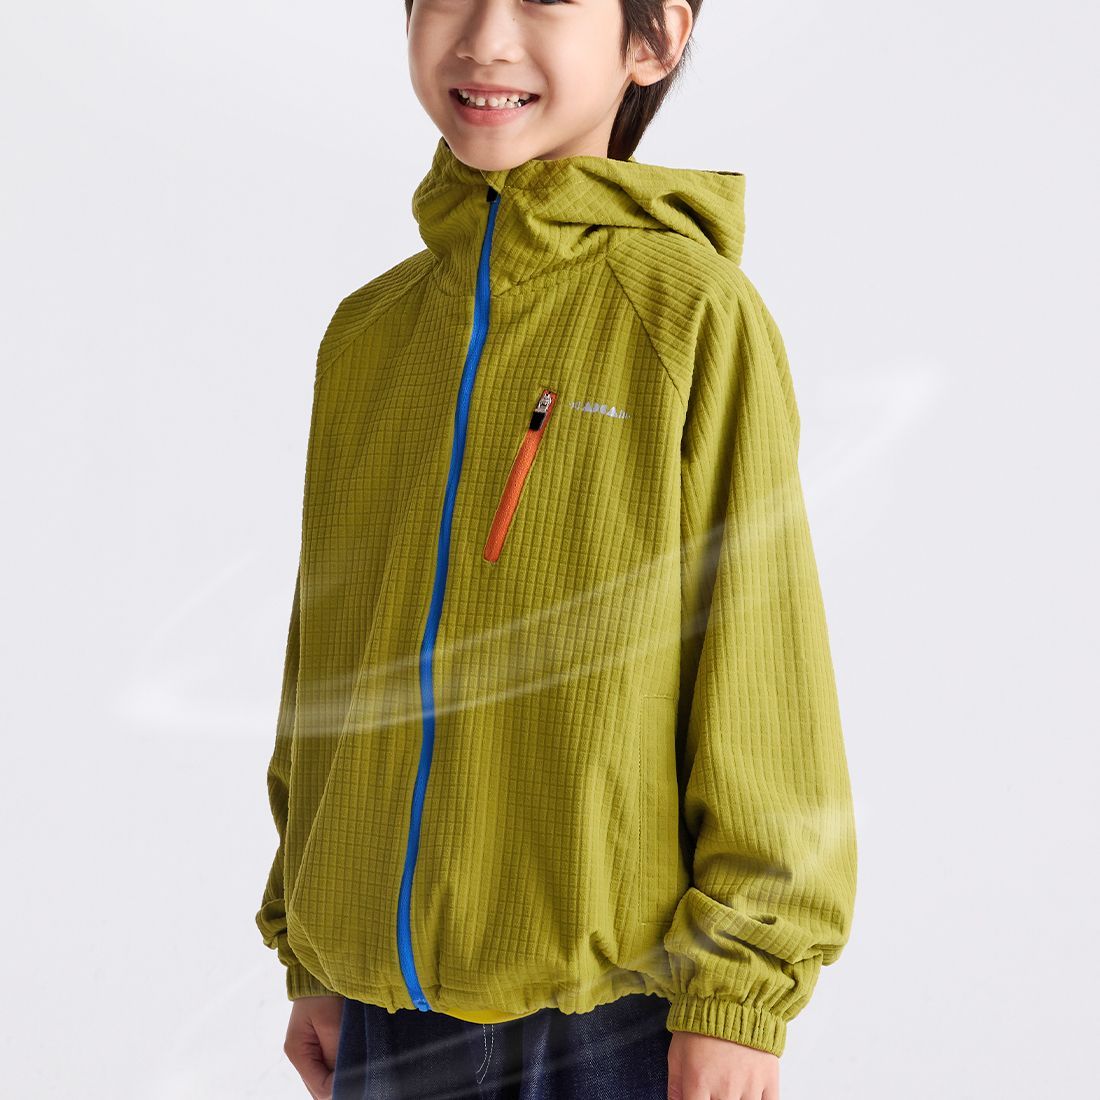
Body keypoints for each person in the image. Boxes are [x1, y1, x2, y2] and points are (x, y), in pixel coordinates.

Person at [255, 1, 859, 1097]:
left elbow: (761, 666)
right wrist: (316, 947)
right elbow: (327, 662)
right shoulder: (369, 332)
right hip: (382, 1013)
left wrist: (742, 993)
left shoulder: (690, 315)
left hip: (607, 1020)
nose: (485, 36)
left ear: (654, 39)